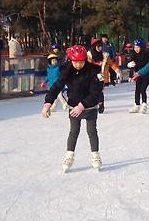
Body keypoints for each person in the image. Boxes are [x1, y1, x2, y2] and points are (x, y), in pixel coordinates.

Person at [41, 44, 103, 172]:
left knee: (91, 132)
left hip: (89, 107)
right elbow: (56, 87)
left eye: (81, 61)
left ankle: (95, 155)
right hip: (73, 106)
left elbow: (95, 93)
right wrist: (47, 103)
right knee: (73, 132)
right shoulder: (67, 70)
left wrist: (82, 106)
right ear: (71, 60)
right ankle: (69, 156)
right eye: (75, 62)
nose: (78, 65)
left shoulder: (93, 71)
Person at [127, 39, 149, 113]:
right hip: (138, 75)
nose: (136, 49)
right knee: (137, 90)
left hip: (147, 74)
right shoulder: (134, 54)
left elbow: (145, 65)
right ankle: (136, 105)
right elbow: (132, 64)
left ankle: (144, 105)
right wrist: (129, 66)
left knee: (142, 89)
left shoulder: (146, 54)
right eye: (135, 47)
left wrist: (136, 65)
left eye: (138, 47)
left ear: (142, 47)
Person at [87, 39, 107, 113]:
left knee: (100, 90)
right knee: (92, 90)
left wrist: (117, 70)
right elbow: (89, 66)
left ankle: (101, 104)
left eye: (101, 46)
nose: (100, 48)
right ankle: (92, 103)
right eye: (98, 46)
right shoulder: (89, 55)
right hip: (92, 75)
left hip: (101, 75)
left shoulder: (104, 55)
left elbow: (111, 63)